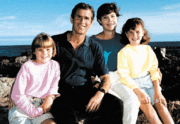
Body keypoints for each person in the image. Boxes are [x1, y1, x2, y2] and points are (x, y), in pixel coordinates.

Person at [50, 2, 123, 124]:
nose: (82, 21)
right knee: (67, 115)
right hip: (60, 94)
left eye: (86, 18)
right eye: (79, 17)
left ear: (91, 22)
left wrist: (99, 94)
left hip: (84, 92)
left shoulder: (94, 47)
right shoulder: (55, 42)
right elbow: (35, 64)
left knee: (116, 104)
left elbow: (105, 77)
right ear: (71, 18)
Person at [117, 17, 174, 124]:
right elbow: (124, 75)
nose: (135, 36)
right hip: (134, 86)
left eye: (137, 32)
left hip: (149, 82)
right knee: (150, 111)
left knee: (162, 106)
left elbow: (154, 70)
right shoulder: (123, 52)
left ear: (143, 32)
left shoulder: (148, 49)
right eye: (131, 32)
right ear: (126, 34)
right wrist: (139, 93)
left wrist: (157, 91)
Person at [90, 3, 140, 124]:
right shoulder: (92, 41)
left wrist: (155, 70)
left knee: (132, 101)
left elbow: (139, 56)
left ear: (117, 18)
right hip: (101, 78)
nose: (110, 20)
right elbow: (88, 67)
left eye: (112, 16)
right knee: (115, 104)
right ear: (99, 21)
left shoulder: (124, 39)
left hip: (119, 78)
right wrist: (94, 82)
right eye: (105, 17)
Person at [8, 33, 60, 124]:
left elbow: (54, 86)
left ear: (53, 50)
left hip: (42, 106)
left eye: (48, 49)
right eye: (40, 50)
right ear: (34, 51)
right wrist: (34, 112)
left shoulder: (54, 65)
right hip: (23, 107)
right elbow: (17, 95)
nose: (44, 53)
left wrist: (50, 98)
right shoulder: (27, 67)